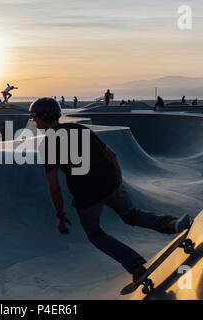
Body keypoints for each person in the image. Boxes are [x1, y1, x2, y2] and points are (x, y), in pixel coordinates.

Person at [29, 97, 191, 282]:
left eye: (35, 118)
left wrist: (60, 215)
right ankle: (172, 224)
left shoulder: (48, 144)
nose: (34, 122)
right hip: (110, 183)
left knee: (95, 235)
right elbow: (111, 154)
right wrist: (118, 180)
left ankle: (136, 266)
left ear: (42, 116)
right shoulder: (80, 129)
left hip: (86, 196)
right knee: (131, 215)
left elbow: (54, 186)